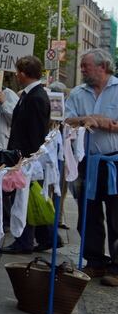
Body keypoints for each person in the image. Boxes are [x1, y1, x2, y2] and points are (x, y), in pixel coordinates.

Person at [66, 49, 118, 283]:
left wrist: (109, 124)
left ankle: (116, 267)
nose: (82, 70)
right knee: (89, 213)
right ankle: (95, 261)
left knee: (117, 214)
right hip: (87, 162)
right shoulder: (78, 92)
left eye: (86, 65)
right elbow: (65, 120)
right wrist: (84, 119)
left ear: (103, 66)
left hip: (115, 161)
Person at [1, 56, 52, 254]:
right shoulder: (29, 95)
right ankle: (47, 237)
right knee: (27, 198)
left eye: (17, 72)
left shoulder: (36, 97)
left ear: (23, 73)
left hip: (27, 158)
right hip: (22, 155)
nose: (16, 75)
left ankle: (24, 241)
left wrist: (27, 158)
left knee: (23, 200)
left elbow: (36, 132)